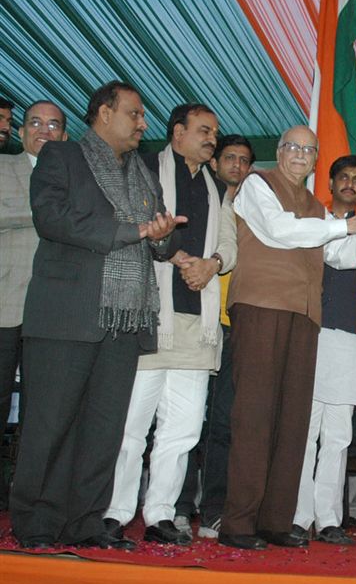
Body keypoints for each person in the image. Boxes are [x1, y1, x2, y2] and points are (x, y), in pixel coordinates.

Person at [10, 81, 184, 550]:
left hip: (125, 320)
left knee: (104, 429)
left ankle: (86, 522)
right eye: (135, 113)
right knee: (50, 424)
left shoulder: (144, 173)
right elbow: (53, 218)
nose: (143, 123)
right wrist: (133, 231)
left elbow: (160, 240)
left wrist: (163, 234)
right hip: (68, 314)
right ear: (104, 113)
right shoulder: (61, 158)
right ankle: (37, 523)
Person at [217, 126, 356, 550]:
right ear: (279, 152)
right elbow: (281, 230)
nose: (300, 155)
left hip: (305, 317)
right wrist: (348, 227)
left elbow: (342, 255)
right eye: (292, 147)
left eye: (308, 150)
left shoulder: (316, 207)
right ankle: (238, 523)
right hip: (261, 307)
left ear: (315, 160)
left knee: (293, 421)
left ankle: (277, 520)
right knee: (254, 415)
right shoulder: (257, 184)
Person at [105, 104, 236, 546]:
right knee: (131, 424)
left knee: (183, 429)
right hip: (149, 313)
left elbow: (230, 244)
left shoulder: (219, 186)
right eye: (203, 131)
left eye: (214, 133)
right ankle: (115, 512)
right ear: (177, 133)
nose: (211, 139)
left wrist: (213, 264)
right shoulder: (143, 168)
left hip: (197, 322)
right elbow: (131, 225)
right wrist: (182, 259)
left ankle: (160, 513)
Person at [292, 155, 356, 545]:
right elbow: (344, 255)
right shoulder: (317, 223)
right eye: (344, 178)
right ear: (331, 183)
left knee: (338, 437)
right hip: (314, 336)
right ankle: (299, 518)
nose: (350, 184)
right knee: (305, 433)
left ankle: (329, 519)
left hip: (354, 340)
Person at [175, 134, 255, 539]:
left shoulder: (254, 211)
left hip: (234, 324)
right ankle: (179, 505)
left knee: (223, 422)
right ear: (215, 161)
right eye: (230, 158)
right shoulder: (195, 200)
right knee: (186, 417)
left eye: (244, 160)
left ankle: (213, 511)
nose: (237, 166)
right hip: (194, 320)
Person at [0, 100, 68, 509]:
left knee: (43, 412)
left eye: (54, 124)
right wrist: (49, 213)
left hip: (53, 311)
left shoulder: (73, 179)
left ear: (64, 135)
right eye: (35, 123)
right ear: (22, 132)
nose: (44, 130)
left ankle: (29, 499)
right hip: (4, 304)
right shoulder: (4, 169)